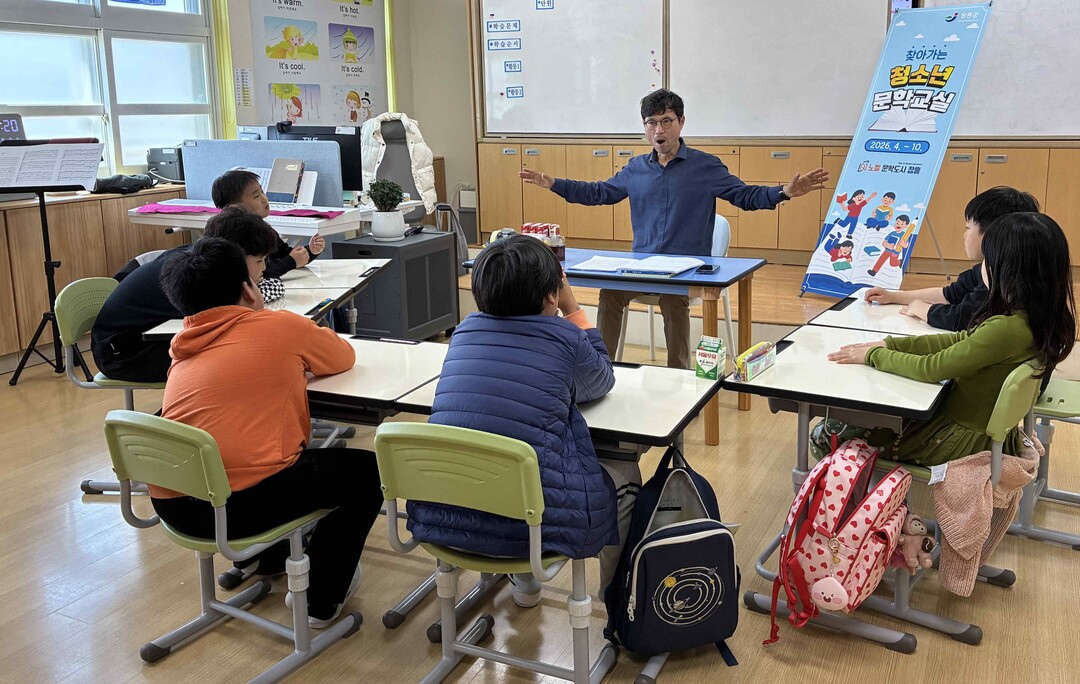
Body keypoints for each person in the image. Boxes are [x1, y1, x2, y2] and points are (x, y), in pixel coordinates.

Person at [153, 237, 382, 629]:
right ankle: (320, 600)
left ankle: (262, 559)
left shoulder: (182, 347)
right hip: (237, 509)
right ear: (248, 288)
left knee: (263, 457)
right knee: (368, 471)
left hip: (177, 506)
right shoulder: (280, 326)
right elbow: (343, 356)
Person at [519, 89, 828, 368]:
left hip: (685, 271)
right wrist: (553, 183)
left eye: (666, 121)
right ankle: (603, 368)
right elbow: (598, 192)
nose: (658, 130)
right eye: (651, 123)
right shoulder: (635, 168)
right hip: (641, 269)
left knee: (672, 300)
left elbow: (744, 196)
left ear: (681, 122)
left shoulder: (705, 166)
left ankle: (678, 376)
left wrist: (784, 192)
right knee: (610, 292)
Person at [406, 235, 639, 604]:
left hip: (443, 519)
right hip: (529, 532)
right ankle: (617, 603)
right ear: (551, 295)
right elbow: (600, 381)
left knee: (505, 458)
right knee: (626, 476)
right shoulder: (564, 335)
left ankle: (523, 580)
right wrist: (573, 306)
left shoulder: (464, 331)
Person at [826, 212, 1075, 466]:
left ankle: (866, 497)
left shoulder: (1006, 329)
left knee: (829, 432)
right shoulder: (1037, 317)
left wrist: (872, 355)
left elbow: (932, 368)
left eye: (988, 259)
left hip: (953, 439)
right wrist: (893, 344)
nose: (982, 267)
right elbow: (960, 340)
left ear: (1008, 269)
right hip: (982, 432)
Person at [91, 207, 279, 383]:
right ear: (233, 255)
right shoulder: (200, 274)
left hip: (140, 339)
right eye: (259, 260)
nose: (263, 267)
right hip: (122, 353)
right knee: (233, 354)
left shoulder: (201, 261)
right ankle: (182, 416)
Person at [862, 186, 1039, 331]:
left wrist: (920, 308)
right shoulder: (994, 266)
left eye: (968, 228)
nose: (964, 235)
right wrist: (894, 296)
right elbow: (950, 295)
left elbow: (960, 319)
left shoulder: (1002, 277)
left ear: (991, 234)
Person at [210, 169, 325, 279]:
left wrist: (310, 251)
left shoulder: (262, 228)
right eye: (256, 196)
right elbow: (258, 270)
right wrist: (291, 261)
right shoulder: (233, 233)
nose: (264, 199)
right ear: (233, 206)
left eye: (262, 191)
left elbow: (286, 254)